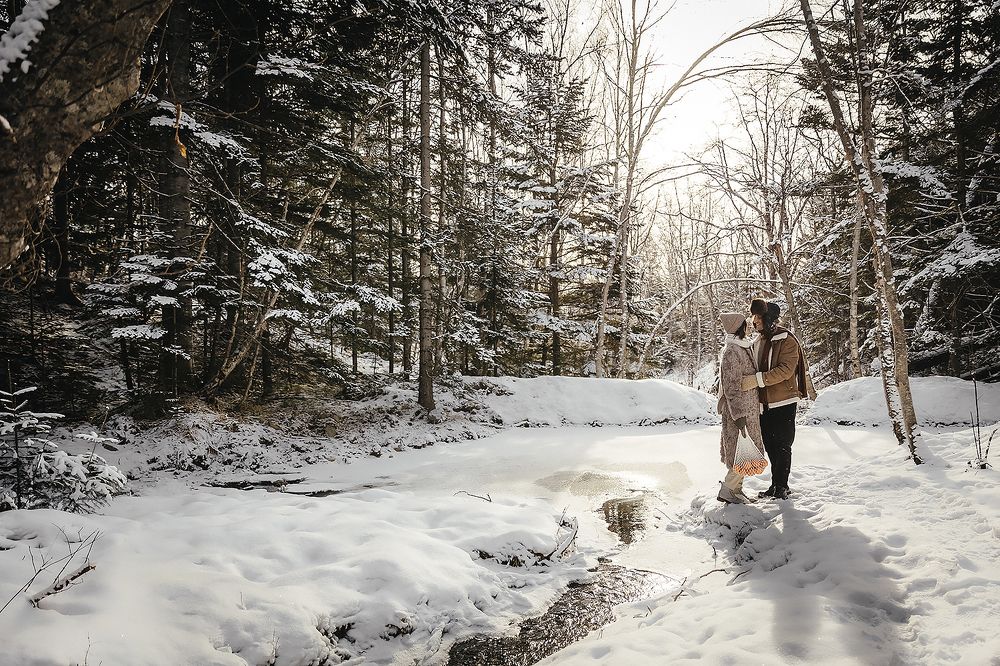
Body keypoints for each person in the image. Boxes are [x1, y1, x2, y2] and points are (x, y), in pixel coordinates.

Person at [741, 298, 814, 500]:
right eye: (754, 317)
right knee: (770, 445)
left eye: (758, 317)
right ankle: (775, 485)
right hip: (763, 403)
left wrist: (756, 380)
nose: (754, 321)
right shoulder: (758, 341)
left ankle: (782, 486)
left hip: (783, 402)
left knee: (782, 445)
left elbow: (785, 370)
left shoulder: (787, 340)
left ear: (769, 319)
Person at [716, 311, 765, 504]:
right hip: (739, 411)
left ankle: (736, 490)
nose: (749, 326)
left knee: (746, 451)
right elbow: (731, 388)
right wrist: (738, 415)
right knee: (741, 451)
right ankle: (728, 489)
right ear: (739, 328)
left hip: (749, 409)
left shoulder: (742, 347)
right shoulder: (731, 352)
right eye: (746, 324)